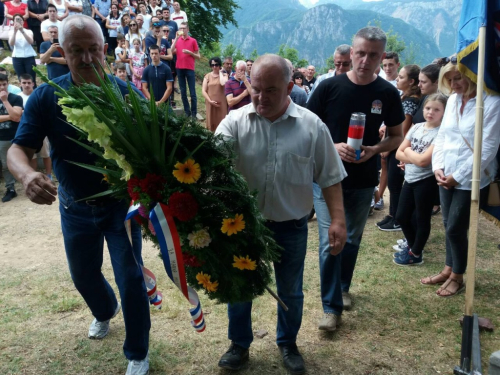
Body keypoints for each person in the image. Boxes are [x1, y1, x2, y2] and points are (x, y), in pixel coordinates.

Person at [7, 14, 151, 374]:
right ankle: (105, 311)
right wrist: (26, 175)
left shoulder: (126, 94)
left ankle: (137, 353)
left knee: (131, 279)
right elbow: (17, 149)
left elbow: (153, 145)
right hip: (74, 208)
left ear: (105, 50)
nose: (87, 59)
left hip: (121, 208)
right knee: (83, 276)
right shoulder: (46, 96)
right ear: (62, 52)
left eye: (93, 50)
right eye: (76, 51)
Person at [215, 54, 347, 375]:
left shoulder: (312, 126)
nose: (261, 97)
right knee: (241, 286)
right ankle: (239, 345)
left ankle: (288, 343)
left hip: (291, 227)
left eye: (271, 90)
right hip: (244, 227)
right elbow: (210, 164)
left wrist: (339, 219)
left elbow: (329, 176)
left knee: (290, 289)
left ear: (289, 86)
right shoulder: (234, 122)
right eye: (256, 88)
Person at [307, 26, 404, 318]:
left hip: (363, 179)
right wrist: (333, 146)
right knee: (330, 240)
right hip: (326, 177)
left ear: (382, 57)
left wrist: (376, 150)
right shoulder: (328, 87)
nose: (364, 60)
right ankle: (330, 307)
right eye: (360, 53)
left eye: (372, 55)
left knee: (350, 239)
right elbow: (308, 128)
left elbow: (397, 135)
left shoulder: (387, 93)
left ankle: (343, 287)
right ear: (352, 52)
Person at [420, 60, 500, 297]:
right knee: (447, 224)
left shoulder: (492, 102)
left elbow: (488, 147)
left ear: (473, 76)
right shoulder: (453, 100)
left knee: (455, 227)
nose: (453, 84)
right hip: (447, 172)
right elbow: (443, 135)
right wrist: (439, 167)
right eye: (449, 79)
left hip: (473, 177)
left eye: (458, 78)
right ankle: (448, 268)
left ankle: (457, 276)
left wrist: (460, 175)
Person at [393, 93, 447, 265]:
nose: (431, 112)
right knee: (401, 216)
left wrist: (407, 153)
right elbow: (398, 153)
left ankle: (416, 253)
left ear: (444, 112)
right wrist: (410, 156)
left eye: (437, 109)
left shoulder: (441, 133)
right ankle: (414, 245)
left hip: (426, 181)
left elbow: (424, 162)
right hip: (409, 178)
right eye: (428, 108)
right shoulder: (417, 127)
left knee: (421, 218)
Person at [377, 64, 420, 231]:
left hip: (398, 147)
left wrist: (388, 148)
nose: (397, 79)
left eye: (401, 77)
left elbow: (404, 128)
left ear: (411, 81)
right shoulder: (404, 97)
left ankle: (397, 218)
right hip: (395, 145)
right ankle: (392, 214)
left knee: (395, 184)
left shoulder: (410, 101)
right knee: (393, 183)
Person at [19, 73, 54, 181]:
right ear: (20, 84)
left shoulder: (39, 95)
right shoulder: (18, 97)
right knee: (31, 156)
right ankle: (33, 176)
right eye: (24, 83)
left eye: (29, 82)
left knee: (46, 154)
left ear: (33, 83)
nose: (26, 85)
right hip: (25, 129)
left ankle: (49, 175)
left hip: (42, 129)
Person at [0, 73, 23, 203]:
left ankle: (28, 184)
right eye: (0, 85)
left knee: (23, 161)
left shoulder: (15, 98)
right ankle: (11, 189)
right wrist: (10, 116)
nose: (2, 88)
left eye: (4, 84)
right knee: (5, 165)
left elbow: (16, 116)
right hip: (2, 138)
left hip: (16, 136)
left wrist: (5, 101)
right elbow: (13, 116)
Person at [171, 21, 199, 117]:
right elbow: (171, 51)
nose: (182, 30)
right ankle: (187, 112)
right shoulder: (177, 40)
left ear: (188, 29)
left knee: (192, 93)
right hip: (179, 68)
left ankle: (194, 113)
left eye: (184, 28)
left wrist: (190, 53)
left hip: (190, 68)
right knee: (183, 92)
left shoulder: (193, 41)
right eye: (180, 28)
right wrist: (175, 39)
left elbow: (198, 56)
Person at [9, 14, 37, 83]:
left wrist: (22, 31)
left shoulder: (28, 31)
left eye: (20, 20)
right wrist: (15, 32)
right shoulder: (11, 32)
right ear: (14, 22)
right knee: (21, 78)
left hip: (29, 56)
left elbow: (31, 41)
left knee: (31, 78)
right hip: (17, 57)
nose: (19, 22)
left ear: (23, 22)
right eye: (16, 20)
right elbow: (11, 43)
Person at [202, 56, 227, 132]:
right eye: (212, 65)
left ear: (220, 65)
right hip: (210, 103)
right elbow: (203, 90)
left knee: (222, 122)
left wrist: (220, 72)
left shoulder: (225, 76)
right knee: (211, 123)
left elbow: (223, 83)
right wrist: (209, 101)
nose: (214, 67)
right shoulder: (207, 76)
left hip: (221, 104)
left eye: (216, 65)